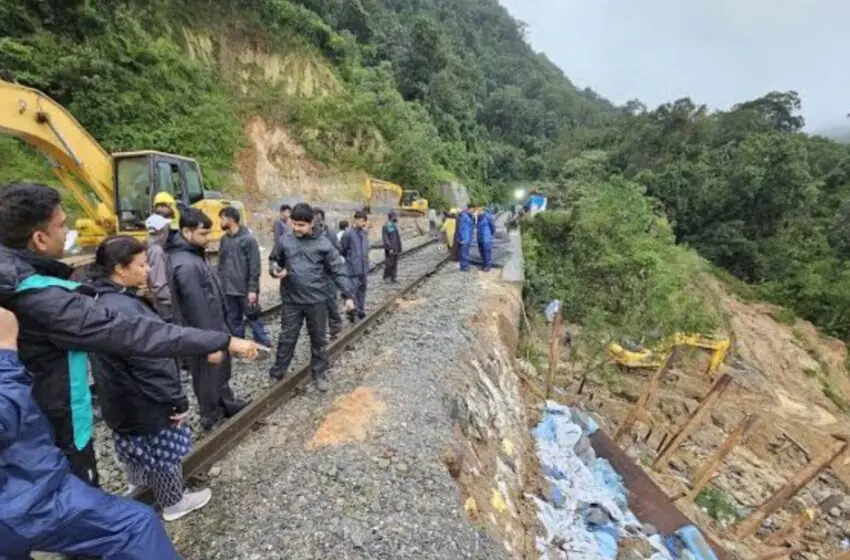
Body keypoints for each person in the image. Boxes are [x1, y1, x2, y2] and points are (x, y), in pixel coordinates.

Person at [0, 183, 259, 489]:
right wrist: (222, 341)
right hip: (54, 429)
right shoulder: (40, 299)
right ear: (40, 238)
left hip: (64, 420)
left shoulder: (33, 286)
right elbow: (139, 335)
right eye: (62, 225)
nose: (67, 231)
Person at [0, 307, 182, 559]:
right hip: (26, 496)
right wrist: (4, 353)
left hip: (26, 480)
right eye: (141, 265)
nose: (147, 271)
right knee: (135, 526)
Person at [87, 236, 211, 520]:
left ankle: (139, 490)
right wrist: (175, 401)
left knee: (133, 449)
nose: (147, 271)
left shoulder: (99, 297)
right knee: (163, 453)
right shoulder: (126, 308)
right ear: (120, 268)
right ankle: (173, 502)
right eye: (142, 265)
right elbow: (151, 363)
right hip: (144, 400)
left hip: (117, 397)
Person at [167, 208, 250, 431]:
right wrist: (210, 343)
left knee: (220, 371)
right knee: (206, 374)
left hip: (212, 328)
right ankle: (210, 415)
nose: (207, 239)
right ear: (186, 231)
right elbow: (196, 307)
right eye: (203, 234)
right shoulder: (185, 264)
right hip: (202, 333)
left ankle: (226, 403)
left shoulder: (192, 256)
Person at [268, 203, 355, 391]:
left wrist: (348, 295)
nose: (297, 229)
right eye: (294, 224)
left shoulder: (324, 244)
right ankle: (278, 373)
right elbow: (274, 259)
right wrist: (275, 270)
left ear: (311, 224)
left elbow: (337, 271)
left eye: (301, 225)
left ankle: (319, 373)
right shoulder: (285, 241)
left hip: (316, 301)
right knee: (287, 338)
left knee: (318, 339)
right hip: (291, 300)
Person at [218, 207, 271, 348]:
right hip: (228, 289)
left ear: (230, 220)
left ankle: (263, 344)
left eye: (222, 218)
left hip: (245, 289)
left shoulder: (248, 240)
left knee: (253, 317)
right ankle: (239, 347)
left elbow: (254, 266)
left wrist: (252, 289)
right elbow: (221, 264)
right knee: (233, 320)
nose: (220, 222)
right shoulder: (224, 240)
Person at [312, 207, 344, 338]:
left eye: (318, 218)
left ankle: (335, 327)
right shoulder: (310, 235)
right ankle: (319, 330)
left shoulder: (330, 233)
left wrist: (331, 255)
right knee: (317, 305)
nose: (316, 221)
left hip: (329, 275)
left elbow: (338, 249)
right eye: (313, 218)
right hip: (315, 275)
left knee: (331, 302)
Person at [340, 210, 369, 322]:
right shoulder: (348, 233)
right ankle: (353, 312)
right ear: (355, 220)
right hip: (352, 268)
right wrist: (351, 259)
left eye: (363, 221)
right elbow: (342, 249)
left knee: (362, 290)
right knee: (353, 291)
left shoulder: (364, 233)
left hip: (363, 268)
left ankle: (361, 310)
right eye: (360, 220)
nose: (362, 223)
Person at [145, 213, 173, 321]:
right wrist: (173, 301)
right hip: (165, 306)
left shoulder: (150, 247)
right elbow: (159, 284)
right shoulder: (156, 251)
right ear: (162, 231)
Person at [381, 211, 402, 283]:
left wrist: (399, 248)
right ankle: (386, 277)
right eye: (395, 217)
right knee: (389, 263)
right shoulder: (386, 226)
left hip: (395, 248)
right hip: (391, 249)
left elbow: (397, 238)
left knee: (394, 263)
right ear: (391, 217)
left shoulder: (393, 225)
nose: (396, 218)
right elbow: (385, 238)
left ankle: (393, 277)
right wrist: (389, 248)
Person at [476, 206, 496, 272]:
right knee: (481, 252)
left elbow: (492, 226)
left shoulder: (488, 217)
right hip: (480, 237)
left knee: (487, 252)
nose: (478, 212)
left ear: (482, 211)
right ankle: (484, 265)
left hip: (486, 238)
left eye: (479, 211)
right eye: (477, 211)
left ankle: (487, 266)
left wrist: (491, 233)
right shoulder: (478, 218)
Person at [457, 204, 475, 271]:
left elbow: (471, 227)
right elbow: (461, 228)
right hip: (465, 238)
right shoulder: (464, 216)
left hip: (468, 237)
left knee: (466, 252)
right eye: (472, 210)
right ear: (469, 209)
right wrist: (462, 238)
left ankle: (466, 265)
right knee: (464, 253)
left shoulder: (469, 216)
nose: (473, 211)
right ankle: (463, 266)